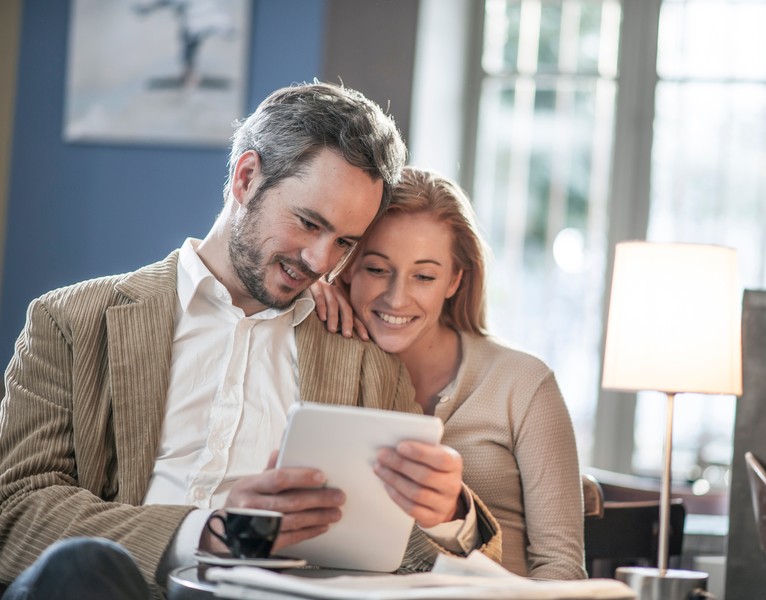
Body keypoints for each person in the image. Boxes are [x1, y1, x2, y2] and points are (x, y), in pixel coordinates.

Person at [0, 83, 500, 599]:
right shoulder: (73, 321)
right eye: (308, 223)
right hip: (115, 587)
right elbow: (14, 510)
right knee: (83, 567)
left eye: (346, 242)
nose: (321, 262)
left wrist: (446, 516)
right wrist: (213, 531)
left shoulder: (363, 358)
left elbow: (406, 554)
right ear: (245, 178)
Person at [310, 167, 586, 580]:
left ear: (455, 280)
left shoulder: (524, 384)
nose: (396, 297)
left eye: (424, 276)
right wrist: (301, 297)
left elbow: (562, 568)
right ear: (347, 266)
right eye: (376, 269)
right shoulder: (315, 357)